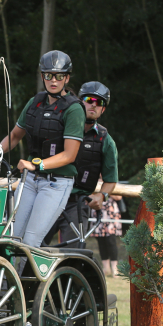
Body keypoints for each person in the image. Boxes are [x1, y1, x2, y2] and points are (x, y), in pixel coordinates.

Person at [0, 50, 84, 249]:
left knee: (30, 241)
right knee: (13, 240)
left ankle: (38, 280)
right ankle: (11, 281)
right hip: (29, 181)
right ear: (42, 76)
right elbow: (14, 136)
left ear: (67, 78)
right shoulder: (35, 102)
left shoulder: (74, 109)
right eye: (48, 75)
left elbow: (70, 155)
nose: (53, 80)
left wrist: (37, 164)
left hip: (56, 184)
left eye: (59, 76)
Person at [46, 81, 119, 248]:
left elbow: (111, 180)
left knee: (72, 255)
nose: (93, 105)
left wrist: (101, 196)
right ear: (80, 102)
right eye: (89, 99)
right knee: (30, 249)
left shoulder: (105, 140)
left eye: (99, 102)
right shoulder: (59, 128)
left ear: (103, 109)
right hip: (48, 196)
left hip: (77, 204)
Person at [92, 194, 123, 276]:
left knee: (111, 242)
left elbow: (119, 197)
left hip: (111, 213)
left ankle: (114, 269)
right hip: (98, 211)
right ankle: (106, 269)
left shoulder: (112, 182)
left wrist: (105, 191)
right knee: (101, 242)